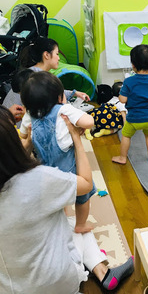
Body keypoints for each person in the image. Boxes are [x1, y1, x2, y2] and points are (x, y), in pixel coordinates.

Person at [0, 105, 134, 293]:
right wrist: (77, 139)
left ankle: (102, 271)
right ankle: (102, 271)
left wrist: (28, 142)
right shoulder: (39, 179)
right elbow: (86, 184)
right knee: (78, 226)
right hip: (56, 282)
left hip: (11, 287)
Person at [20, 71, 95, 234]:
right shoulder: (64, 110)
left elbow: (24, 135)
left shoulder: (29, 115)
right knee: (83, 196)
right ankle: (80, 224)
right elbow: (90, 122)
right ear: (60, 97)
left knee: (56, 198)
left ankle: (62, 220)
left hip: (46, 170)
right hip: (70, 169)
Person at [112, 44, 148, 165]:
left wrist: (121, 94)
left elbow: (123, 100)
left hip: (133, 119)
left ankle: (122, 157)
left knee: (126, 136)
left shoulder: (129, 81)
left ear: (133, 65)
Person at [19, 36, 90, 102]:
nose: (59, 58)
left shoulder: (35, 72)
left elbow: (53, 91)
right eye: (57, 54)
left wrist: (75, 93)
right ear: (46, 55)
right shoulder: (37, 78)